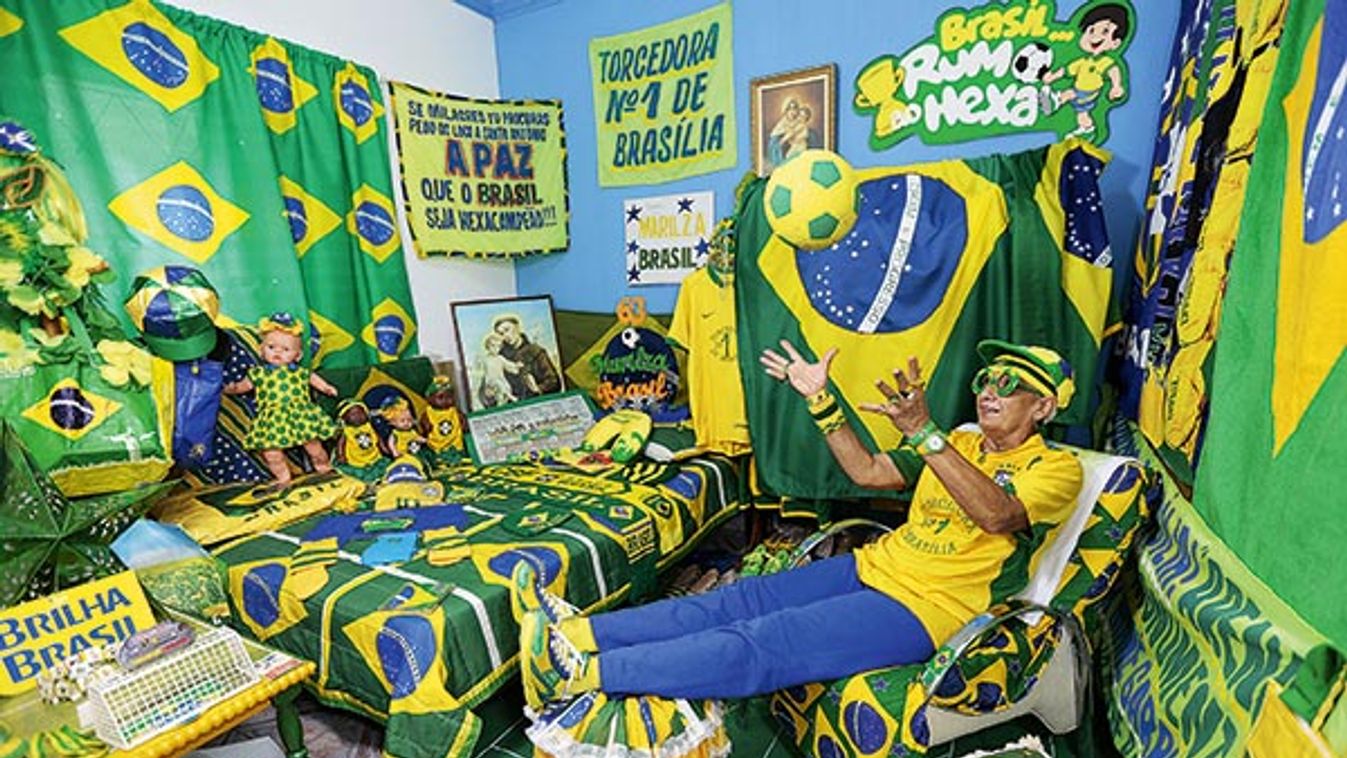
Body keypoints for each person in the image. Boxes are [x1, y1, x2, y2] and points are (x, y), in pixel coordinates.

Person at [510, 338, 1083, 710]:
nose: (989, 390)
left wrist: (923, 432)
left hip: (931, 607)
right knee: (739, 599)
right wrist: (822, 401)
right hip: (873, 566)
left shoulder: (1057, 468)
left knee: (767, 641)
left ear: (1044, 407)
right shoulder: (958, 441)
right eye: (987, 378)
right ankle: (578, 635)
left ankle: (584, 673)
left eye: (1011, 384)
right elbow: (869, 470)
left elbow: (996, 513)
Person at [224, 312, 338, 486]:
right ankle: (283, 477)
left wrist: (326, 387)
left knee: (314, 447)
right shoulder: (258, 374)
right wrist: (229, 388)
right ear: (261, 350)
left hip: (300, 414)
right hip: (273, 419)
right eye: (271, 347)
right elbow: (242, 387)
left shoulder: (299, 372)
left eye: (285, 350)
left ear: (297, 356)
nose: (277, 352)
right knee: (271, 453)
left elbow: (313, 379)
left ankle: (323, 467)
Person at [1041, 3, 1129, 136]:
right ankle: (1088, 129)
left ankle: (1056, 101)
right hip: (1082, 91)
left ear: (1115, 43)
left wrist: (1116, 86)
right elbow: (1066, 71)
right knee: (1082, 114)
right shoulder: (1082, 62)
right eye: (1091, 30)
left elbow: (1113, 70)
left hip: (1089, 92)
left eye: (1105, 32)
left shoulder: (1104, 61)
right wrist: (1052, 77)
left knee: (1070, 93)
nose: (1095, 37)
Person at [494, 315, 561, 398]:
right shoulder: (500, 357)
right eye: (501, 334)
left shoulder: (535, 351)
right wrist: (488, 394)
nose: (506, 336)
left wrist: (538, 388)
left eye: (507, 330)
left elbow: (554, 382)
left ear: (518, 327)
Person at [479, 332, 527, 407]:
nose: (495, 349)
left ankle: (502, 404)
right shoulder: (486, 359)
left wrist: (516, 366)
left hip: (500, 379)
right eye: (493, 346)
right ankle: (511, 397)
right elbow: (481, 371)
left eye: (498, 347)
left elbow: (508, 365)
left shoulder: (500, 358)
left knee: (506, 388)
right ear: (488, 346)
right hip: (491, 381)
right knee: (499, 385)